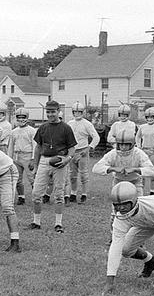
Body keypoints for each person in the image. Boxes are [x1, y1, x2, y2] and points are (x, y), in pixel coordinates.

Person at [29, 100, 77, 233]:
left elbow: (72, 148)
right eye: (48, 112)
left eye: (53, 112)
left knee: (59, 194)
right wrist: (36, 165)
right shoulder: (43, 127)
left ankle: (58, 223)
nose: (50, 114)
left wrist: (67, 159)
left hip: (60, 160)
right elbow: (38, 147)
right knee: (36, 193)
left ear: (58, 111)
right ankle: (36, 222)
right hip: (45, 160)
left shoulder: (66, 128)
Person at [92, 130, 154, 195]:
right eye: (121, 144)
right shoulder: (113, 153)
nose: (123, 147)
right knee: (117, 200)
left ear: (131, 144)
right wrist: (113, 169)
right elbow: (96, 168)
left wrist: (135, 169)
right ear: (117, 144)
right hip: (118, 182)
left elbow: (152, 171)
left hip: (135, 183)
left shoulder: (138, 153)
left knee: (138, 200)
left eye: (126, 144)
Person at [67, 101, 101, 203]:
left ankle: (84, 194)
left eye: (79, 112)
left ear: (82, 112)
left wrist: (89, 148)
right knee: (72, 174)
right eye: (75, 112)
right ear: (73, 112)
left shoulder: (87, 124)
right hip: (72, 151)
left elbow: (96, 137)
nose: (77, 114)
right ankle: (73, 193)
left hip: (82, 151)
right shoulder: (69, 123)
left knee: (83, 174)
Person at [8, 108, 36, 205]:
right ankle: (21, 197)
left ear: (27, 118)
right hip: (17, 156)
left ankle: (36, 197)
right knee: (17, 178)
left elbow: (34, 145)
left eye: (23, 117)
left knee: (31, 177)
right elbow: (11, 146)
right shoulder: (14, 131)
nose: (21, 119)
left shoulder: (31, 131)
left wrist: (33, 159)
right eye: (18, 117)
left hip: (27, 155)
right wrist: (9, 159)